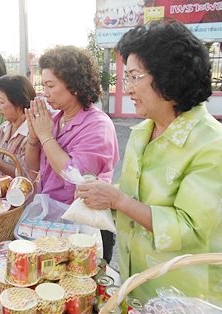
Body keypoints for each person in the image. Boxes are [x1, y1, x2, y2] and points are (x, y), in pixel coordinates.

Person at [76, 18, 222, 306]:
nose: (127, 89)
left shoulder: (211, 144)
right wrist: (100, 195)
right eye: (126, 78)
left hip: (184, 293)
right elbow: (134, 195)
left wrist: (116, 200)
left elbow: (189, 228)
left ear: (169, 77)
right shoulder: (145, 131)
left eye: (134, 76)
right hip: (139, 282)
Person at [25, 45, 119, 263]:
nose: (44, 92)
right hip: (52, 220)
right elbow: (34, 166)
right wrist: (33, 137)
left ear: (74, 86)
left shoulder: (97, 125)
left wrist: (46, 136)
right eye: (43, 85)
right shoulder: (56, 119)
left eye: (50, 85)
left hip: (83, 226)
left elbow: (75, 176)